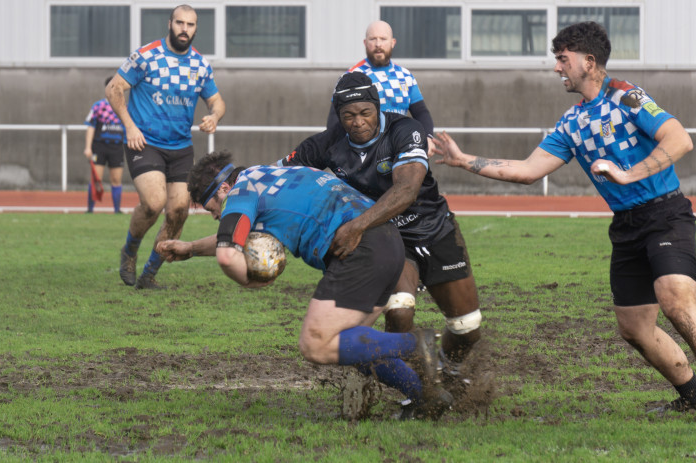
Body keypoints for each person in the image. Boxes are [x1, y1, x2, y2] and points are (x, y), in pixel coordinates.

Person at [433, 21, 696, 414]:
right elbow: (527, 170)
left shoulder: (627, 97)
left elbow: (680, 139)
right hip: (626, 226)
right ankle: (694, 397)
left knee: (676, 302)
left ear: (588, 62)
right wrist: (463, 161)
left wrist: (629, 173)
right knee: (634, 328)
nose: (557, 68)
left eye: (562, 59)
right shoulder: (572, 122)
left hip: (666, 214)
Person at [156, 151, 453, 420]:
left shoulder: (239, 192)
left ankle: (415, 344)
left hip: (360, 251)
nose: (216, 216)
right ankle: (426, 395)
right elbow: (233, 235)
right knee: (350, 344)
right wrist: (191, 247)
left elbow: (226, 254)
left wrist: (249, 280)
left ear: (223, 189)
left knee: (316, 343)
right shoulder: (271, 174)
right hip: (386, 242)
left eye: (212, 208)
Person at [278, 72, 484, 385]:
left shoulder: (405, 130)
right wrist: (240, 188)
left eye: (365, 113)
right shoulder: (328, 142)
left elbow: (406, 190)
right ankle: (418, 384)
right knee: (399, 311)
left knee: (467, 327)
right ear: (338, 116)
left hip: (434, 229)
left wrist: (356, 226)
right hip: (390, 239)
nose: (357, 122)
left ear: (377, 108)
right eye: (348, 115)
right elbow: (278, 175)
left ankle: (450, 370)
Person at [106, 4, 226, 290]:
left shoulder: (199, 65)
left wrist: (214, 116)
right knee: (154, 202)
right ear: (170, 23)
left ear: (196, 29)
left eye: (191, 25)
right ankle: (130, 251)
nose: (185, 29)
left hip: (181, 148)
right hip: (144, 142)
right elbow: (114, 88)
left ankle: (149, 275)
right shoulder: (146, 56)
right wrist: (130, 126)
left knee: (178, 211)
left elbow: (217, 101)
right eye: (180, 23)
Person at [326, 20, 435, 141]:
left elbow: (421, 113)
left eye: (383, 39)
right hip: (363, 152)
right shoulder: (350, 77)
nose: (378, 44)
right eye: (373, 39)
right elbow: (334, 120)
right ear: (365, 43)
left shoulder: (405, 76)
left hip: (399, 147)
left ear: (393, 43)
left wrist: (428, 138)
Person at [83, 76, 126, 214]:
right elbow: (90, 127)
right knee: (96, 179)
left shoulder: (125, 107)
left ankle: (117, 210)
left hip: (117, 147)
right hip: (99, 147)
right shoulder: (98, 106)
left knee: (116, 179)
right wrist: (88, 147)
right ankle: (90, 210)